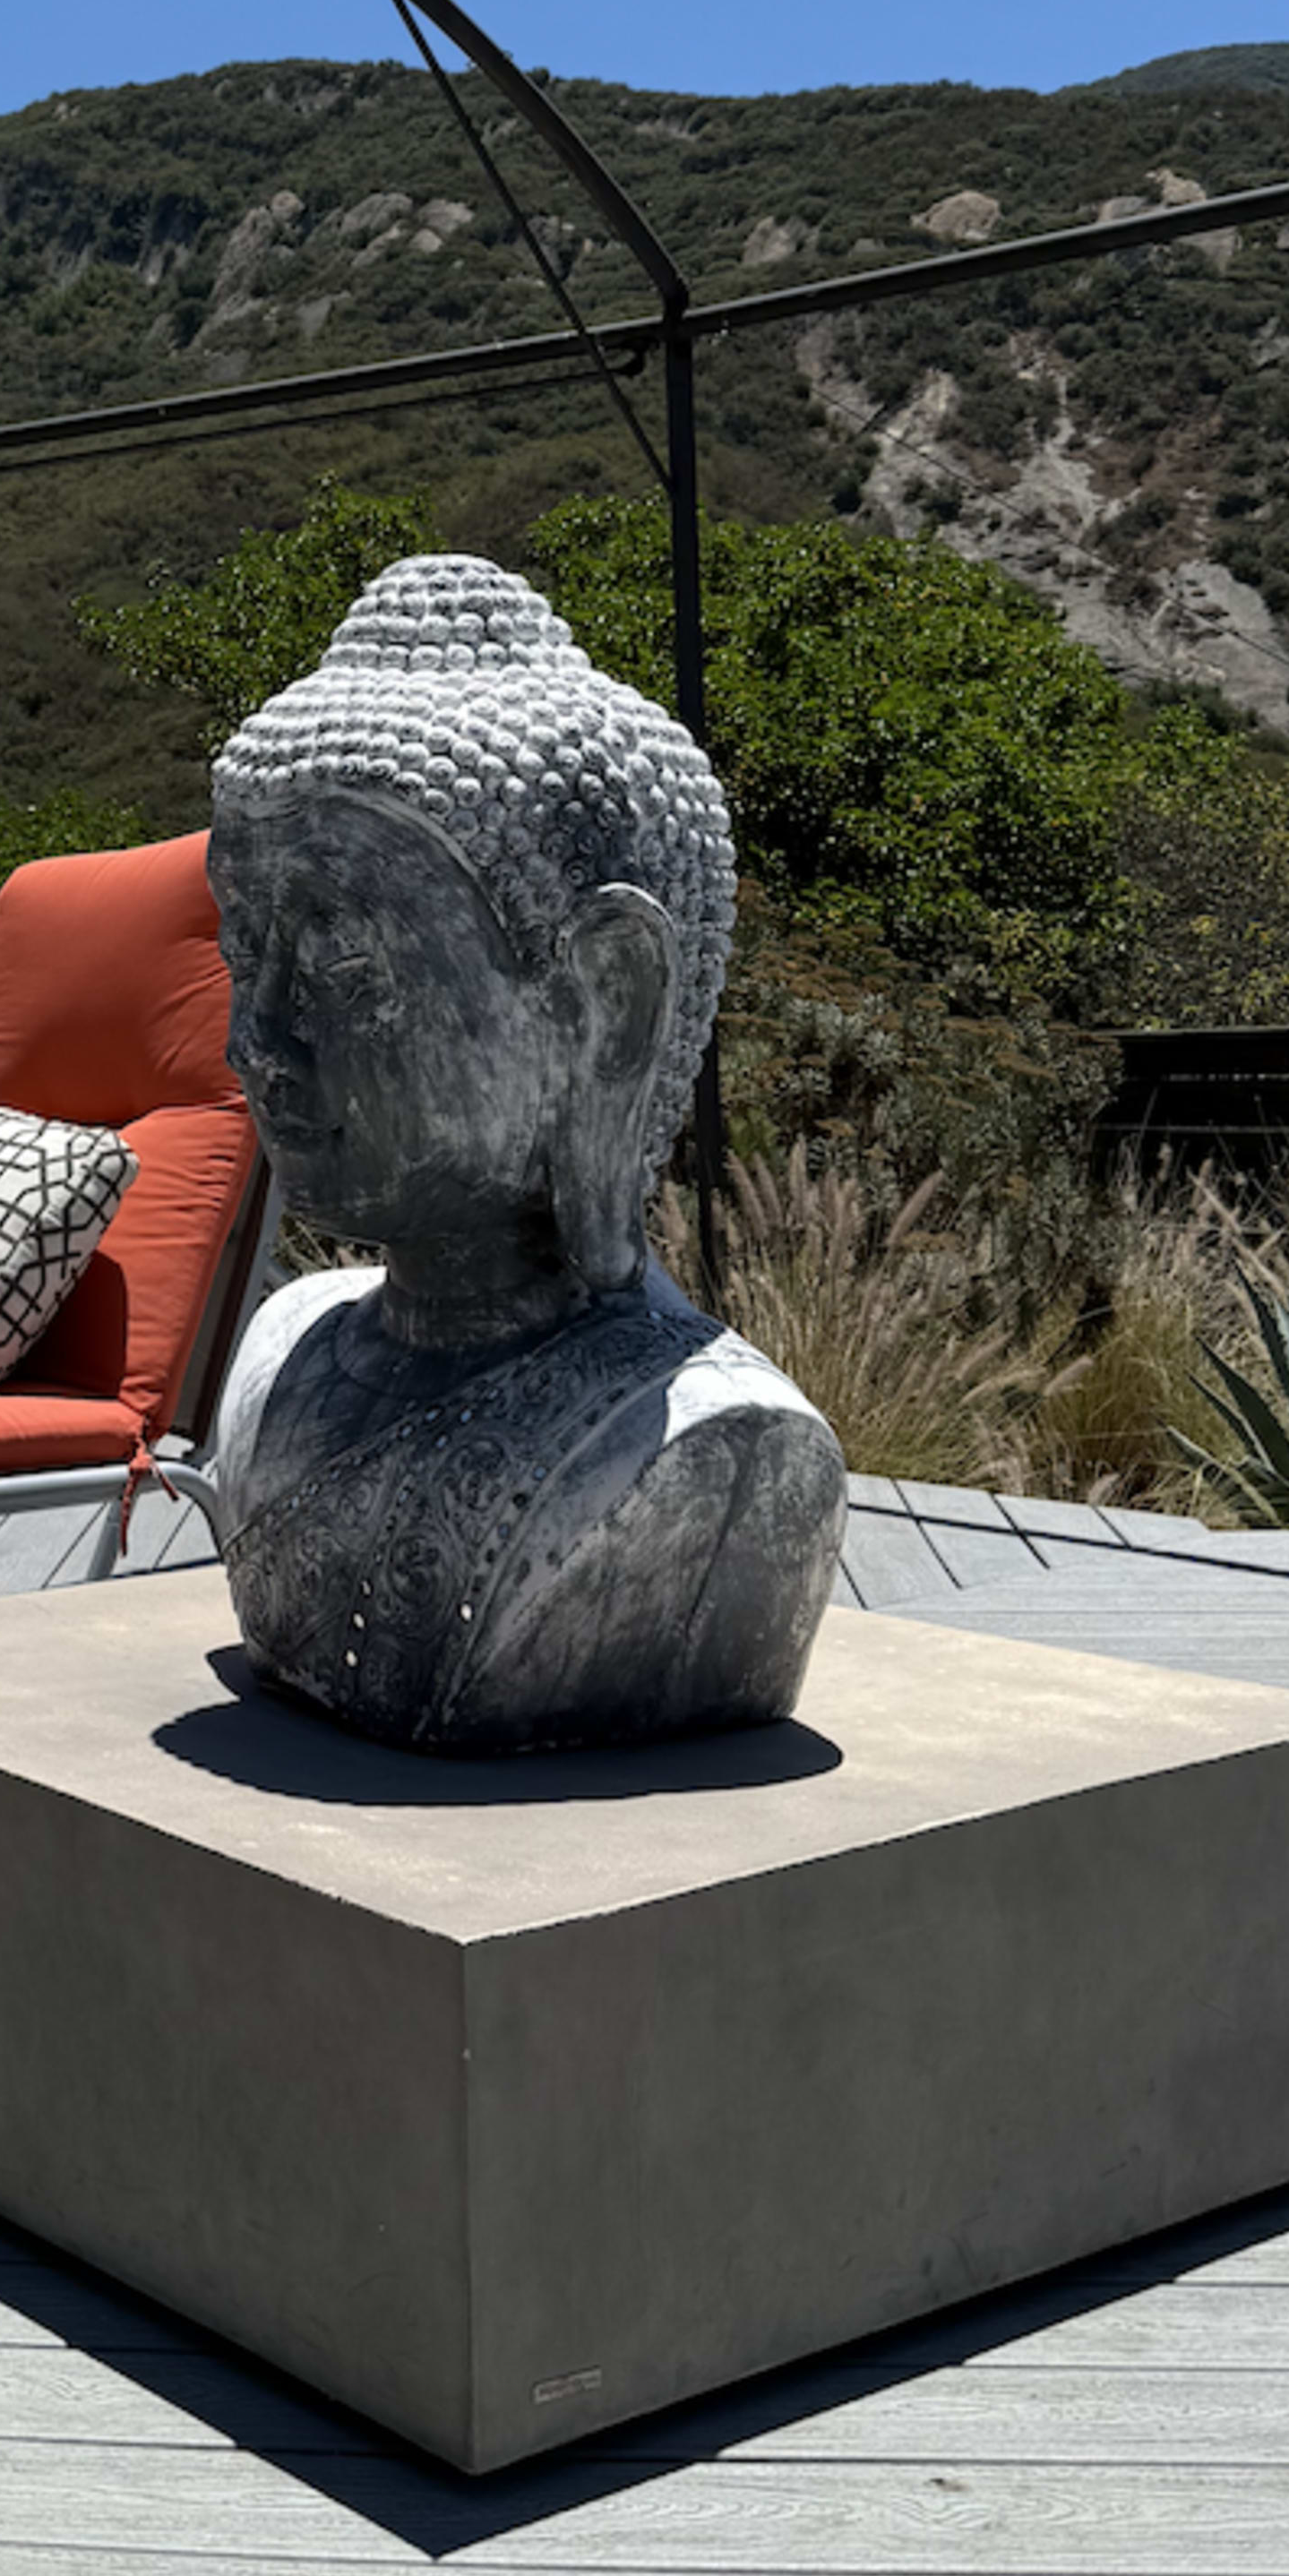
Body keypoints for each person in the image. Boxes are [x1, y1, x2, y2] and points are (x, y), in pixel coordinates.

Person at [206, 555, 844, 1752]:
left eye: (344, 968)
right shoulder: (286, 1346)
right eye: (245, 957)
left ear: (602, 1009)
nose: (258, 1043)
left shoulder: (721, 1447)